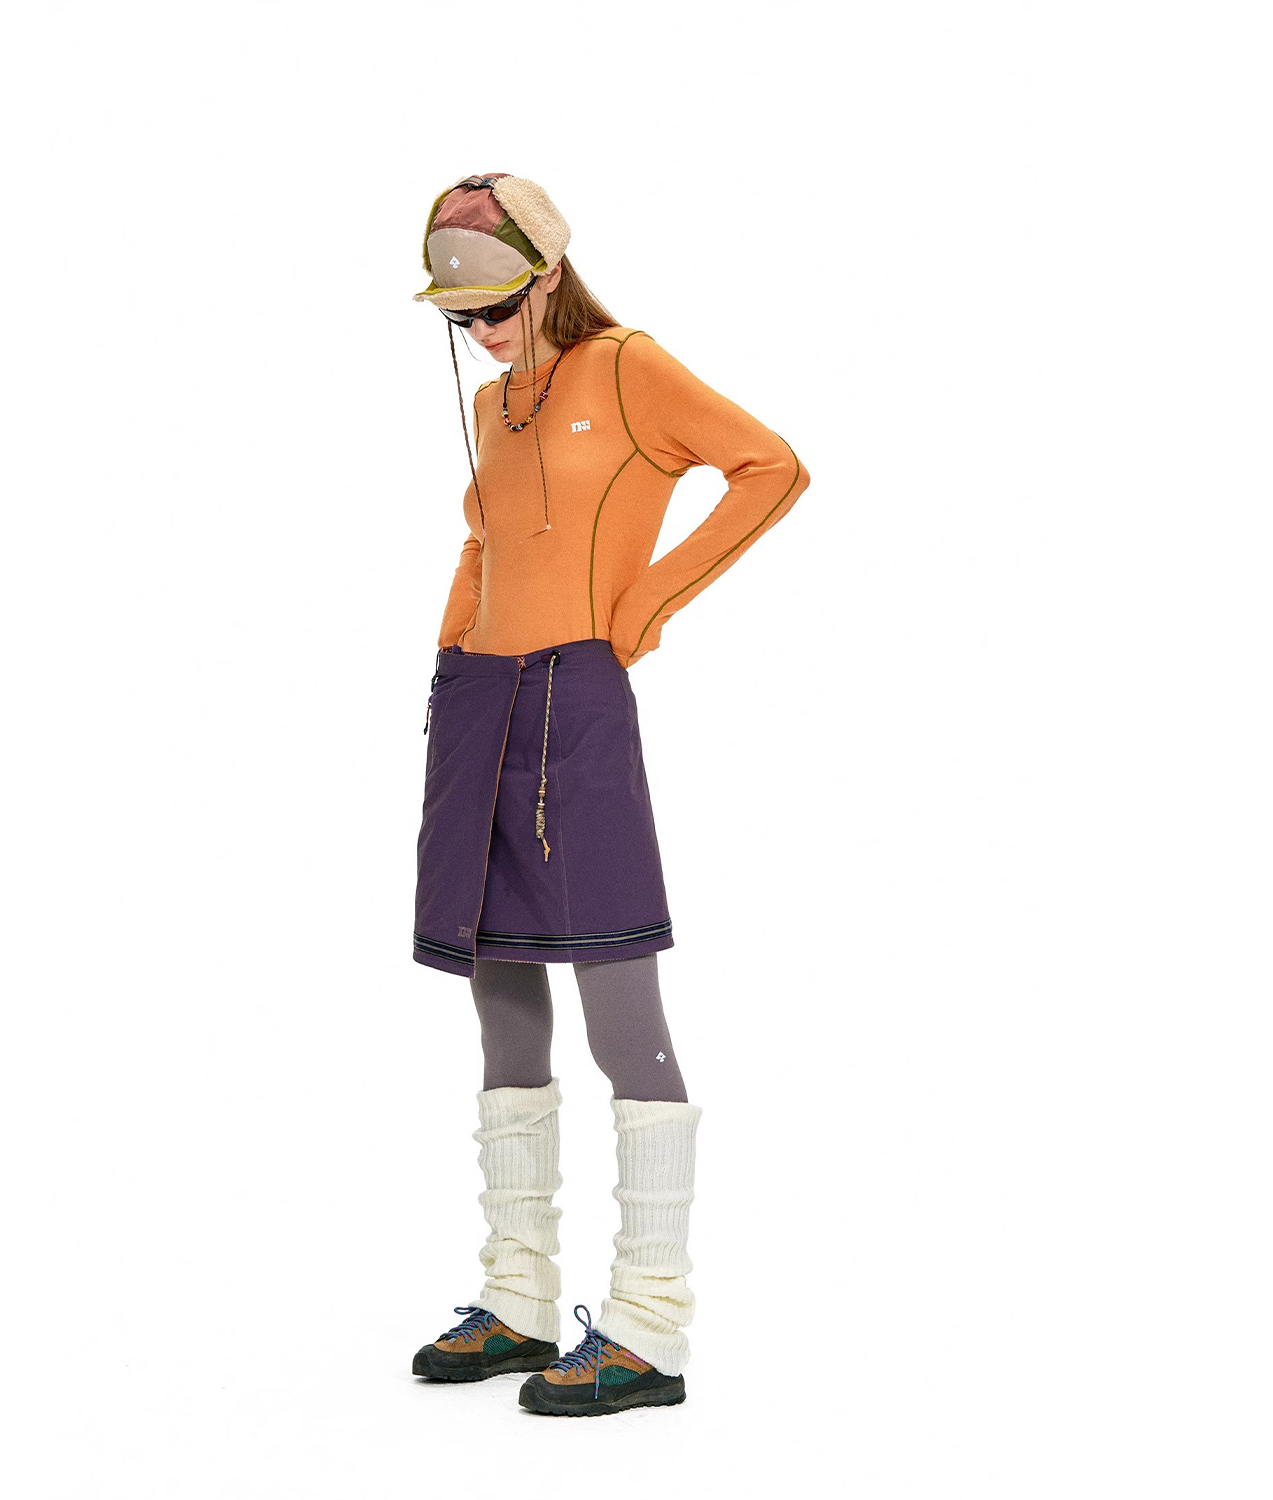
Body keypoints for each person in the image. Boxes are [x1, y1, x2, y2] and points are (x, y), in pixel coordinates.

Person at [407, 172, 810, 1416]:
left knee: (618, 1000)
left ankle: (648, 1325)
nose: (483, 331)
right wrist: (452, 640)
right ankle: (522, 1297)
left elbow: (769, 467)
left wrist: (643, 606)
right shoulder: (492, 403)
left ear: (548, 275)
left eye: (498, 306)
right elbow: (487, 535)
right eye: (460, 316)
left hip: (575, 704)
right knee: (498, 995)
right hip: (477, 703)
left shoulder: (627, 367)